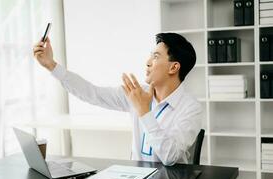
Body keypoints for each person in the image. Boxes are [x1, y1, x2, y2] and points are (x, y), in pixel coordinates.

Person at [33, 32, 202, 166]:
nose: (148, 62)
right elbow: (92, 93)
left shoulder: (190, 108)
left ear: (174, 67)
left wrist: (144, 111)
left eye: (156, 57)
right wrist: (51, 65)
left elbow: (170, 157)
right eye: (150, 56)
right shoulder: (135, 93)